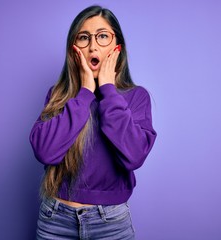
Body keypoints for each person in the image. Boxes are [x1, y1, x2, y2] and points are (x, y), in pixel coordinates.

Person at [30, 5, 157, 240]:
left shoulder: (137, 97)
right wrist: (85, 92)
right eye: (84, 37)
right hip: (54, 221)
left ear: (117, 47)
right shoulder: (58, 95)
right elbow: (45, 152)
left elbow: (134, 155)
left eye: (102, 36)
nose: (93, 46)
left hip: (111, 224)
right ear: (73, 49)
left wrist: (108, 90)